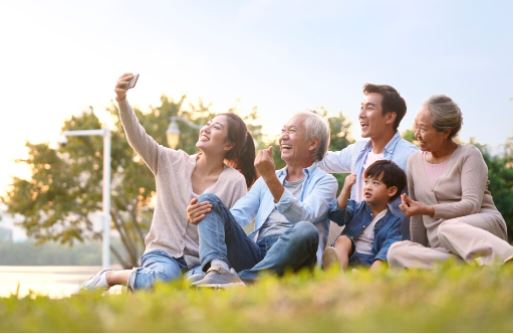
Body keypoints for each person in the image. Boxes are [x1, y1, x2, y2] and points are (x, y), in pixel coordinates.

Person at [82, 73, 257, 291]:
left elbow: (234, 230)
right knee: (165, 278)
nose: (206, 128)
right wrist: (121, 99)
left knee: (196, 287)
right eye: (208, 124)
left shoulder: (234, 181)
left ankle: (148, 283)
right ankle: (111, 277)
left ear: (229, 144)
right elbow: (138, 136)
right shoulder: (170, 161)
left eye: (216, 127)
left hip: (200, 263)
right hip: (162, 255)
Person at [187, 111, 338, 287]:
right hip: (258, 252)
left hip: (295, 254)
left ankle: (243, 280)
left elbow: (305, 217)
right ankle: (218, 270)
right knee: (209, 201)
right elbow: (237, 215)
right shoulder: (264, 181)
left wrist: (270, 179)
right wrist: (210, 216)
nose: (283, 137)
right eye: (283, 131)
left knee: (306, 230)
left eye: (292, 131)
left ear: (312, 143)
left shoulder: (326, 181)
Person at [387, 95, 512, 268]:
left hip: (480, 227)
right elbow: (416, 217)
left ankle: (507, 259)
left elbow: (471, 205)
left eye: (423, 128)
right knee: (396, 251)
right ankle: (463, 266)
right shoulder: (413, 162)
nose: (416, 134)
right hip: (442, 245)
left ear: (445, 132)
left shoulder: (469, 155)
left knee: (447, 228)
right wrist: (419, 248)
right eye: (416, 126)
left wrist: (428, 209)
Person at [318, 83, 417, 238]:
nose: (361, 114)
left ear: (389, 117)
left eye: (369, 108)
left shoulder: (410, 157)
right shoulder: (358, 150)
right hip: (355, 237)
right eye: (361, 107)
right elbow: (322, 161)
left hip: (388, 241)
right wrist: (298, 146)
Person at [322, 160, 406, 270]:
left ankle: (369, 280)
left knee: (385, 255)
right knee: (343, 240)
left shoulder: (394, 221)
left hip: (371, 262)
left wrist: (379, 262)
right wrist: (346, 188)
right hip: (347, 257)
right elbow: (337, 216)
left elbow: (388, 247)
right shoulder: (356, 208)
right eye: (366, 182)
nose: (368, 187)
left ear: (391, 191)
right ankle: (338, 273)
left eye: (375, 183)